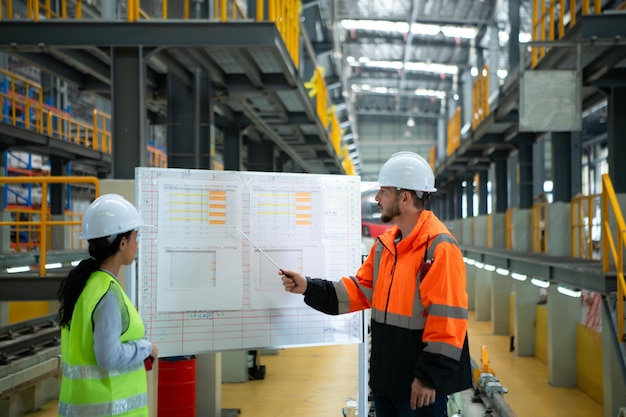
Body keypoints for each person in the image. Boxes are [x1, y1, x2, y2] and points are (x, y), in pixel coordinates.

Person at [280, 152, 472, 417]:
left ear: (404, 198)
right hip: (385, 382)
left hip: (417, 389)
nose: (377, 199)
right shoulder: (386, 246)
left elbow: (448, 320)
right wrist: (308, 287)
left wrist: (429, 377)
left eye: (383, 192)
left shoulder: (439, 247)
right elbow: (358, 291)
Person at [57, 194, 158, 417]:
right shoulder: (107, 293)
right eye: (135, 236)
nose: (137, 243)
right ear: (122, 243)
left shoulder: (86, 285)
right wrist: (145, 348)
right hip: (109, 410)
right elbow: (108, 357)